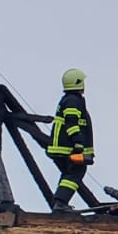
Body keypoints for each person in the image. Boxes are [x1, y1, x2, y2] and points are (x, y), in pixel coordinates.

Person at [46, 68, 93, 210]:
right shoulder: (73, 101)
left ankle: (59, 202)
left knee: (69, 173)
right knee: (76, 172)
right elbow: (71, 122)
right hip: (68, 147)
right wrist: (78, 142)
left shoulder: (68, 99)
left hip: (63, 147)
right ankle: (60, 203)